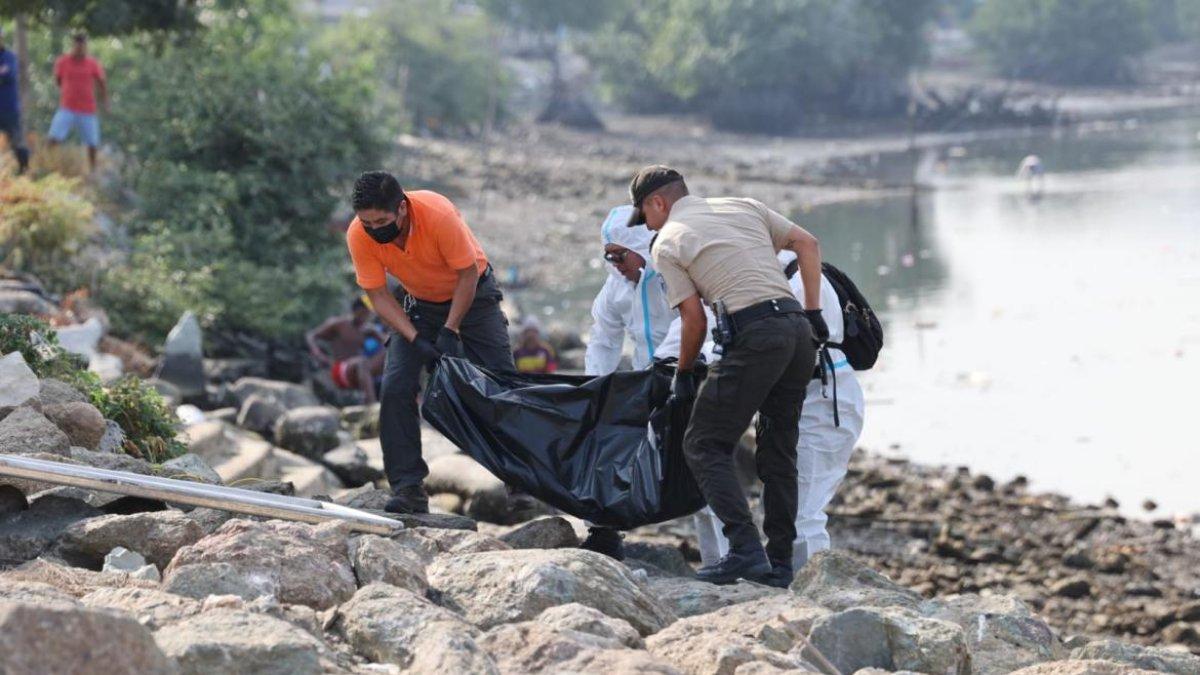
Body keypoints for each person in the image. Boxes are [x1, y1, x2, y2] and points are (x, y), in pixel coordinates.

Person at [630, 165, 827, 585]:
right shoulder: (743, 205)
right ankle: (779, 565)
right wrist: (813, 313)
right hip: (797, 331)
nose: (646, 225)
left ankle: (743, 550)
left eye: (644, 215)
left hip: (755, 335)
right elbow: (807, 244)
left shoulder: (666, 241)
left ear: (657, 203)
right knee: (778, 450)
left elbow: (693, 321)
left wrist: (684, 376)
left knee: (703, 443)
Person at [347, 170, 515, 514]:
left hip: (473, 297)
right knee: (395, 387)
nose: (375, 229)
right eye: (367, 222)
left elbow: (467, 274)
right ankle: (408, 488)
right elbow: (377, 295)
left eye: (382, 220)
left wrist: (451, 331)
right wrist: (416, 340)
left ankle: (521, 479)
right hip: (418, 304)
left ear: (402, 209)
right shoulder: (359, 234)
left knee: (503, 382)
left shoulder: (437, 214)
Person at [692, 251, 865, 584]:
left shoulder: (793, 282)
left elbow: (768, 349)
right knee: (785, 506)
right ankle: (787, 582)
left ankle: (810, 594)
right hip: (805, 396)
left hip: (824, 399)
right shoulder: (771, 277)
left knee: (803, 514)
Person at [583, 205, 675, 375]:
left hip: (688, 375)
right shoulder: (616, 286)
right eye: (609, 256)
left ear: (641, 247)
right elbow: (603, 341)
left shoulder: (674, 276)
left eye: (620, 255)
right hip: (644, 380)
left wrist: (666, 366)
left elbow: (696, 325)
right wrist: (591, 389)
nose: (615, 263)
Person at [307, 297, 387, 403]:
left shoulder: (368, 329)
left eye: (368, 314)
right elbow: (311, 336)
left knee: (390, 353)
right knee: (361, 362)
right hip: (340, 370)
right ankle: (371, 405)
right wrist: (318, 354)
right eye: (364, 313)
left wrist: (376, 332)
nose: (366, 317)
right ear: (356, 310)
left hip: (360, 373)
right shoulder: (339, 324)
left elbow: (389, 343)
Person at [48, 33, 107, 172]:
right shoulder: (63, 61)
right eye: (77, 45)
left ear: (86, 46)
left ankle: (93, 170)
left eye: (83, 45)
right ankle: (49, 165)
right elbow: (58, 80)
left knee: (92, 143)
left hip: (87, 109)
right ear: (73, 45)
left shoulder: (92, 63)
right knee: (54, 137)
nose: (80, 48)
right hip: (67, 107)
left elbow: (101, 82)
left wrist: (104, 101)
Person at [0, 26, 29, 174]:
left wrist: (3, 73)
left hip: (8, 109)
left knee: (16, 142)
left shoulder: (9, 57)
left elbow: (8, 75)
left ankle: (24, 170)